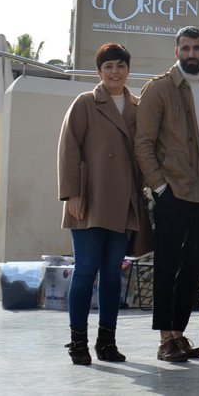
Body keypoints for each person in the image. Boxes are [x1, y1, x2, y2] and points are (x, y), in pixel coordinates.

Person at [134, 26, 199, 363]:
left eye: (197, 48)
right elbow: (143, 144)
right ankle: (165, 338)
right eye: (185, 48)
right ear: (176, 52)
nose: (190, 54)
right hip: (173, 192)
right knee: (168, 265)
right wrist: (159, 187)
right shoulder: (159, 89)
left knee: (194, 266)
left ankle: (180, 334)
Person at [57, 43, 145, 365]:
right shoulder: (85, 103)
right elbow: (68, 149)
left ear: (128, 70)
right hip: (89, 200)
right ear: (99, 72)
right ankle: (77, 341)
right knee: (85, 272)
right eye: (108, 66)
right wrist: (73, 194)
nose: (114, 72)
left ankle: (106, 341)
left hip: (123, 203)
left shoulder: (138, 107)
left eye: (120, 66)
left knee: (111, 274)